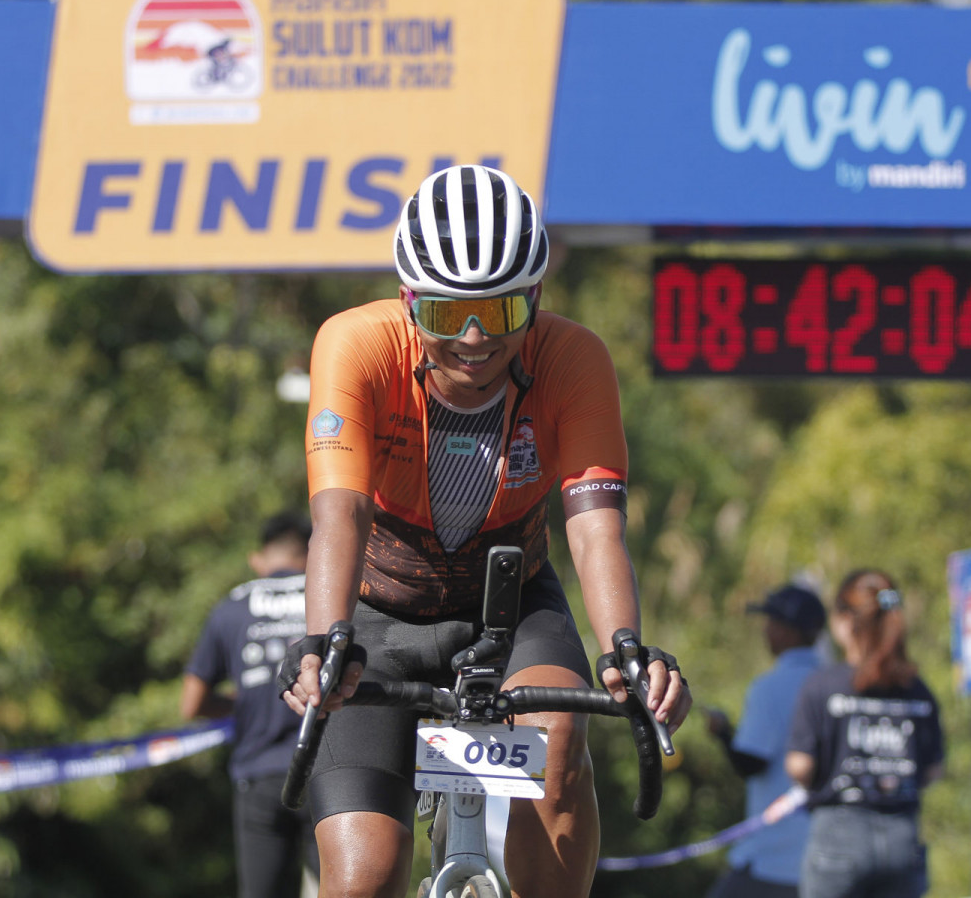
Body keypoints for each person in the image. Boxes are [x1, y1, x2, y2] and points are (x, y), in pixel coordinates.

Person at [280, 164, 692, 898]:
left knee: (557, 741)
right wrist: (324, 639)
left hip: (511, 605)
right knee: (364, 878)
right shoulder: (356, 344)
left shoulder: (573, 358)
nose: (473, 338)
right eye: (446, 314)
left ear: (535, 298)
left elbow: (595, 525)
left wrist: (625, 648)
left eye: (501, 312)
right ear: (408, 302)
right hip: (378, 613)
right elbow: (340, 512)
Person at [181, 511, 320, 898]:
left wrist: (243, 702)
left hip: (259, 773)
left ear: (258, 559)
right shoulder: (330, 595)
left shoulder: (232, 606)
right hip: (326, 769)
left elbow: (191, 703)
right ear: (312, 552)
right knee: (340, 888)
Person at [785, 570, 945, 898]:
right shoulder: (918, 690)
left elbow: (801, 765)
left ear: (845, 620)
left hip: (838, 835)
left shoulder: (822, 685)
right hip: (902, 837)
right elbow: (933, 770)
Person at [706, 585, 827, 898]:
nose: (766, 631)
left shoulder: (769, 687)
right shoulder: (834, 681)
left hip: (774, 855)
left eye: (771, 623)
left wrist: (723, 733)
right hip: (825, 851)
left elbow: (751, 763)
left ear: (787, 631)